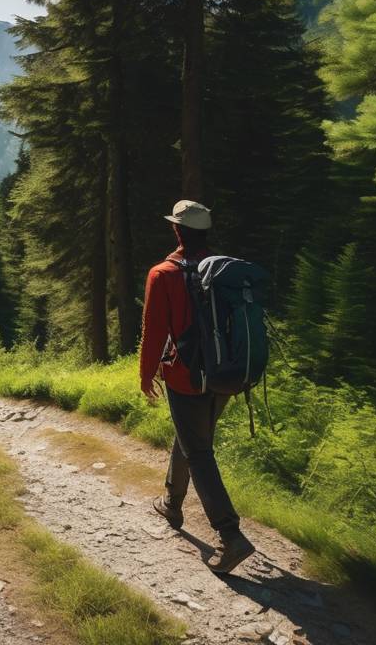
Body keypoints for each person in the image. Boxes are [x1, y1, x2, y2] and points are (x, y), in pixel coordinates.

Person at [139, 199, 255, 574]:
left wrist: (145, 375)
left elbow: (154, 332)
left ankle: (230, 535)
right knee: (191, 438)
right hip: (226, 374)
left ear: (176, 230)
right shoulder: (222, 271)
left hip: (186, 377)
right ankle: (172, 504)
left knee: (199, 451)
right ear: (205, 233)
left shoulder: (164, 274)